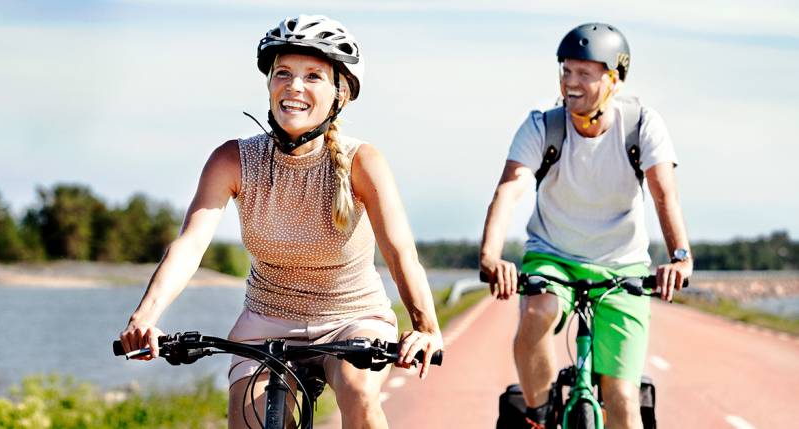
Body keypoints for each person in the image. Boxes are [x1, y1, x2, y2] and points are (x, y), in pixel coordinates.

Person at [119, 14, 443, 429]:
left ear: (340, 93)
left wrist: (426, 326)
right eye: (283, 73)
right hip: (266, 321)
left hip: (352, 318)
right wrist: (145, 316)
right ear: (270, 83)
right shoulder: (234, 159)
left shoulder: (362, 161)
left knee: (359, 393)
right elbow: (190, 245)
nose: (294, 86)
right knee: (251, 419)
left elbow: (400, 253)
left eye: (313, 76)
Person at [479, 23, 692, 429]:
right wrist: (491, 256)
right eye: (565, 71)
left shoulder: (642, 126)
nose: (570, 83)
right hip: (553, 257)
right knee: (538, 311)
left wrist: (680, 256)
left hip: (623, 266)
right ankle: (539, 416)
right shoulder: (543, 126)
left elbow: (664, 194)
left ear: (615, 79)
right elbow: (510, 190)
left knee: (623, 400)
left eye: (584, 74)